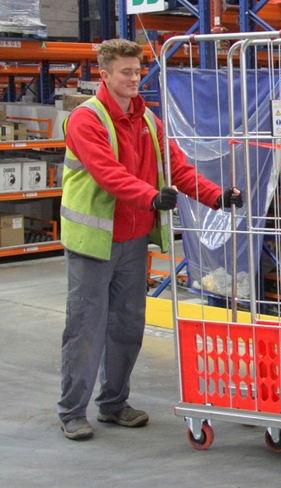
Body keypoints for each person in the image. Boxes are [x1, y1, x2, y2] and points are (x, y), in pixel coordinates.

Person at [58, 38, 244, 440]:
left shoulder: (148, 121)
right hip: (94, 243)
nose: (134, 79)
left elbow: (175, 168)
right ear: (104, 75)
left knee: (127, 326)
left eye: (138, 71)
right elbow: (108, 173)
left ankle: (113, 404)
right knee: (85, 327)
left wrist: (216, 195)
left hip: (133, 239)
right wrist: (151, 197)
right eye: (126, 72)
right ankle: (72, 411)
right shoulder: (86, 120)